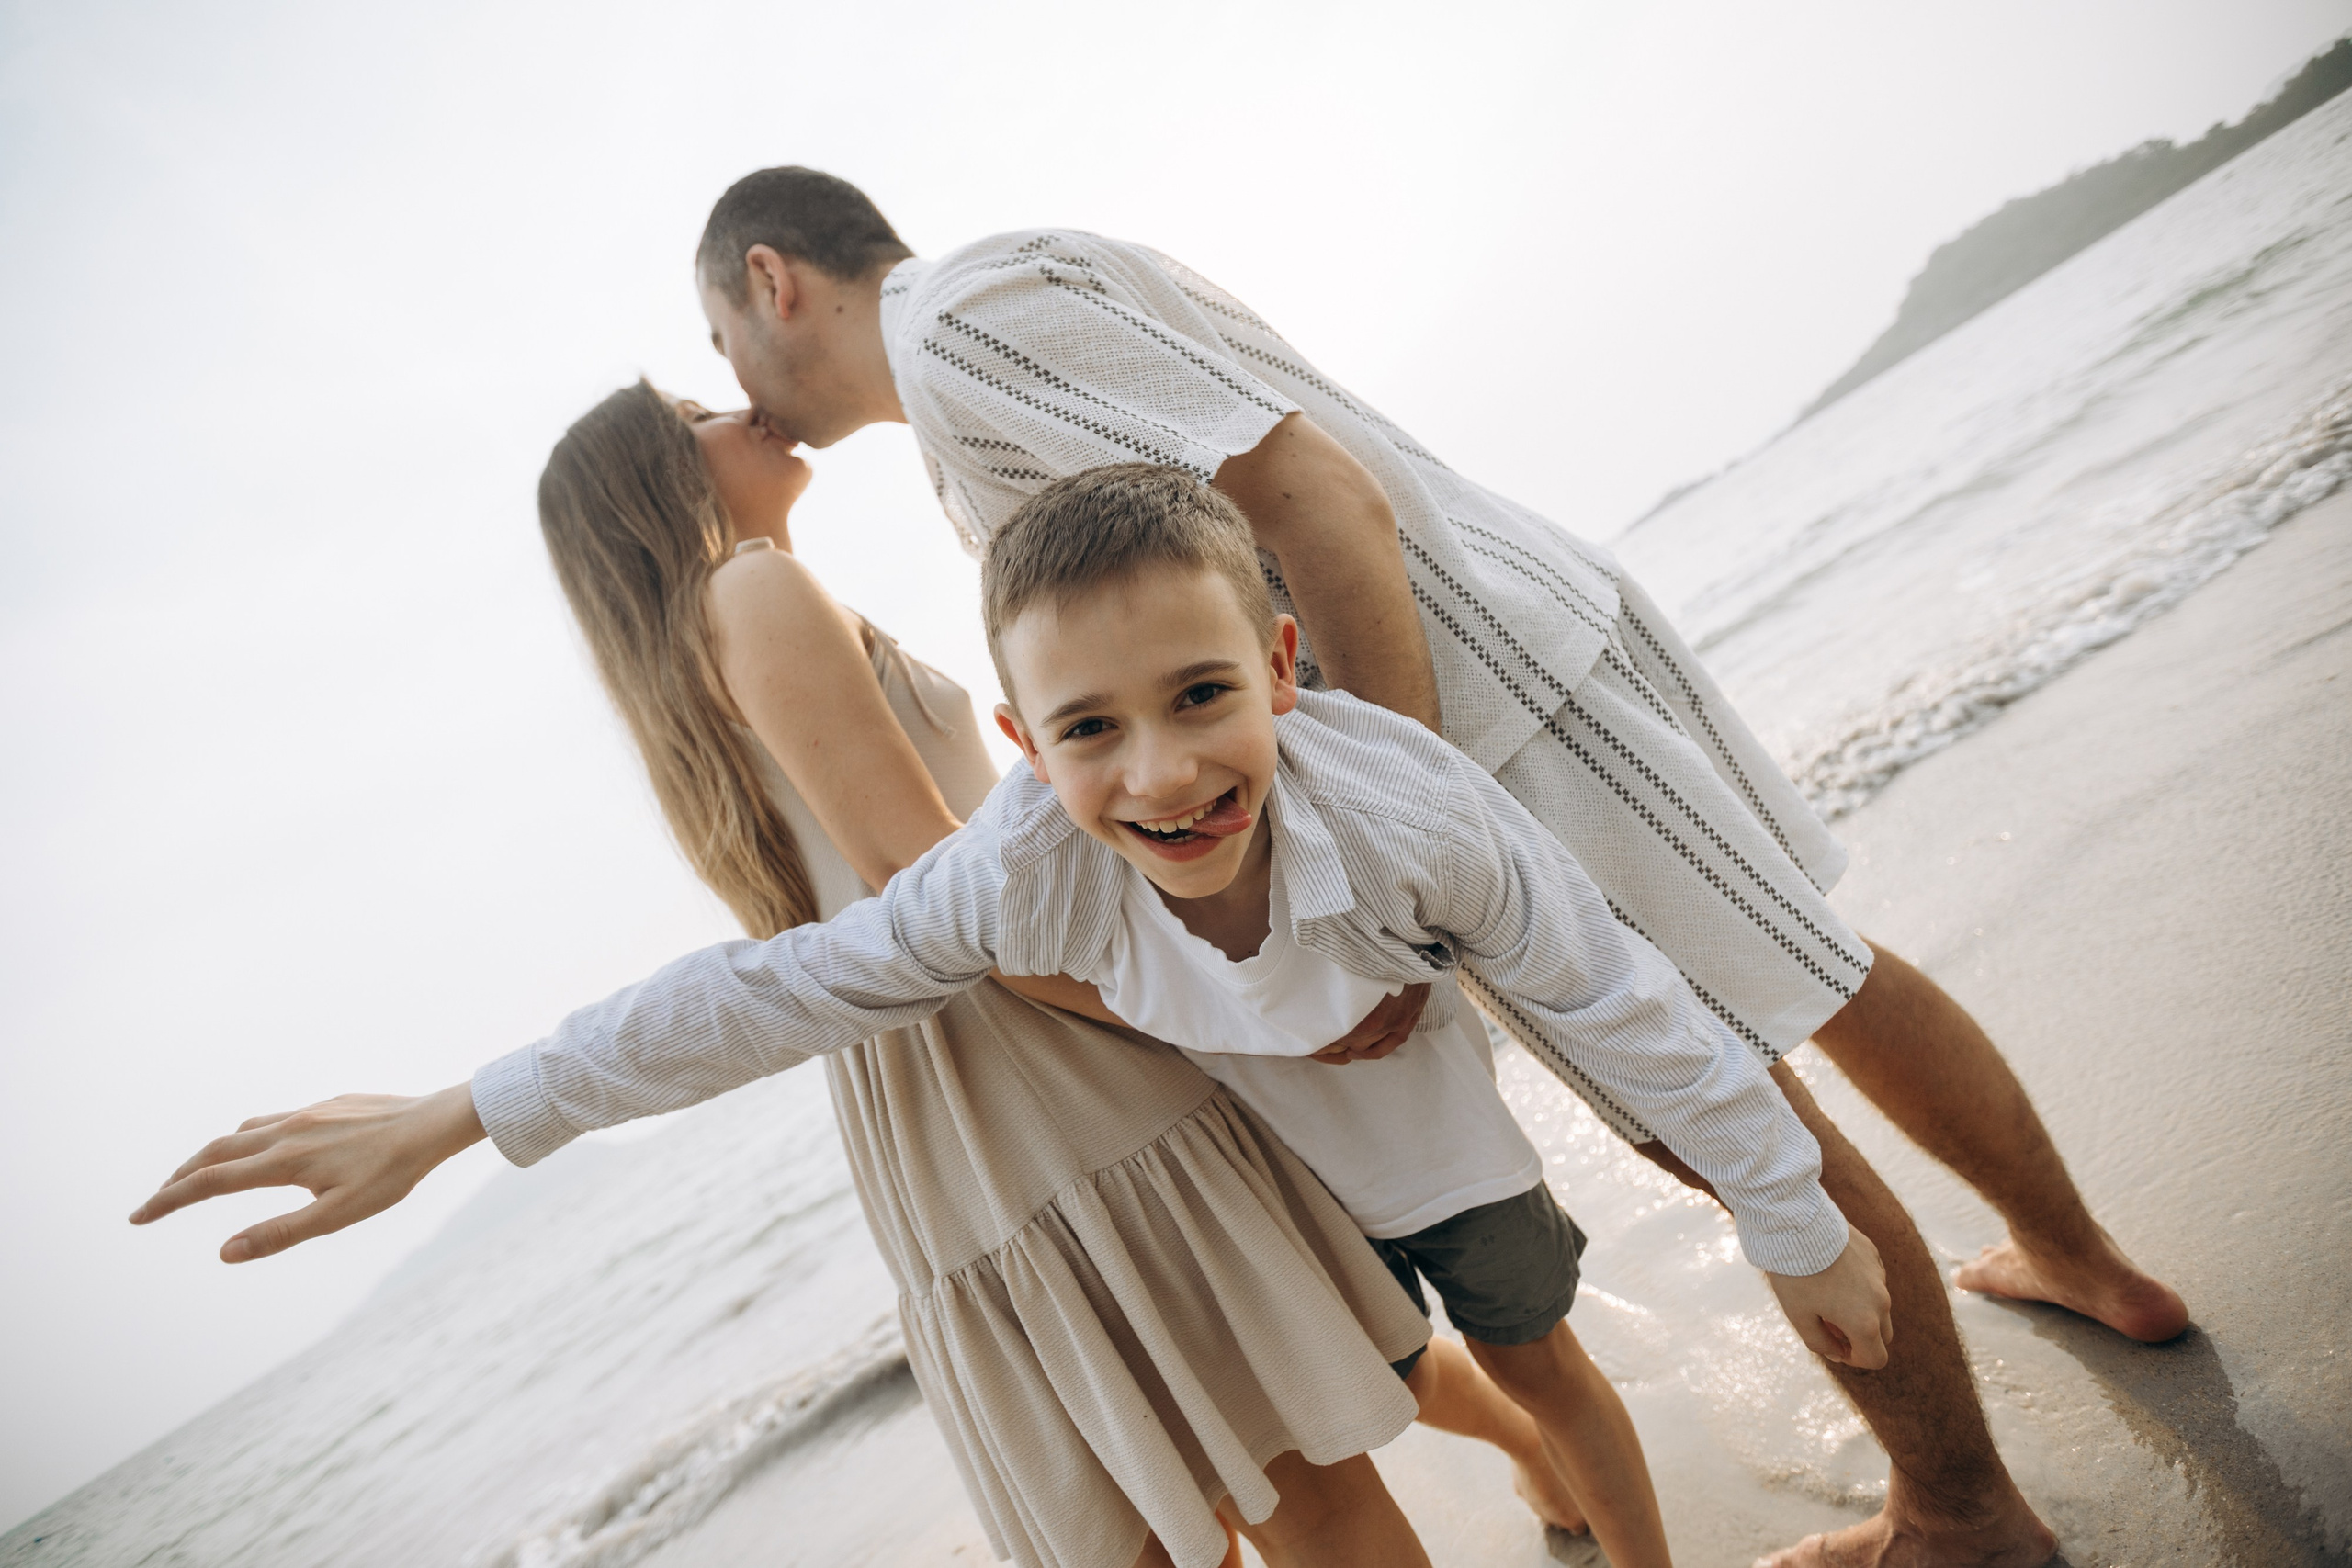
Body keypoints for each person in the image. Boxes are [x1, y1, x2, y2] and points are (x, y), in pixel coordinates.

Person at [689, 164, 2192, 1568]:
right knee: (1817, 973)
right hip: (1527, 637)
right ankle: (2076, 1259)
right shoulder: (1008, 293)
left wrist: (1391, 813)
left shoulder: (964, 333)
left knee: (1712, 1088)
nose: (736, 386)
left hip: (1490, 710)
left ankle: (1964, 1512)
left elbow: (1318, 498)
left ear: (774, 280)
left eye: (718, 336)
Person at [131, 382, 1485, 1568]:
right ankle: (1547, 1442)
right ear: (661, 487)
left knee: (1188, 1463)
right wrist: (1233, 998)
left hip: (933, 1112)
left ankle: (1540, 1446)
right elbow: (941, 899)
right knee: (1298, 1477)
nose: (738, 412)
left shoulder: (692, 668)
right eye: (692, 419)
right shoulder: (755, 588)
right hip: (1039, 1059)